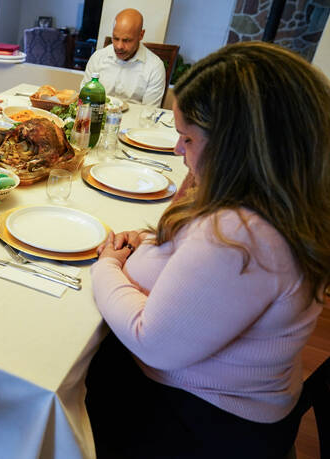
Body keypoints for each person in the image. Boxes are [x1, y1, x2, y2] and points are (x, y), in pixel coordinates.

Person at [86, 41, 329, 459]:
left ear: (237, 147)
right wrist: (150, 241)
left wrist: (107, 265)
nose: (179, 150)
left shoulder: (244, 234)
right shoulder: (280, 202)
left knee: (70, 364)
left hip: (204, 424)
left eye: (188, 138)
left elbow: (151, 340)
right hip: (229, 398)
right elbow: (202, 271)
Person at [80, 8, 166, 107]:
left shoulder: (155, 67)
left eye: (126, 40)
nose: (119, 46)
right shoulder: (98, 58)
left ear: (141, 35)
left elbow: (149, 113)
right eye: (116, 38)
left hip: (133, 121)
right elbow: (84, 99)